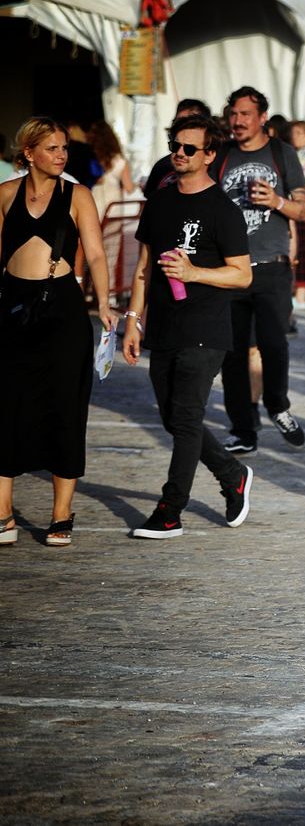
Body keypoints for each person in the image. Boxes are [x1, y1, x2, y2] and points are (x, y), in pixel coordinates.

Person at [120, 112, 255, 540]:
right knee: (174, 419)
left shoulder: (224, 210)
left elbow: (242, 275)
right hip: (162, 323)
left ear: (210, 155)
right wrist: (132, 322)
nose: (179, 154)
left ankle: (170, 510)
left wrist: (195, 273)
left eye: (189, 148)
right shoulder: (159, 201)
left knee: (186, 415)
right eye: (175, 146)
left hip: (206, 326)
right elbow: (143, 268)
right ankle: (232, 473)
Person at [166, 86, 305, 456]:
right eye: (233, 114)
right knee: (230, 354)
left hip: (271, 267)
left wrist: (276, 201)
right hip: (229, 269)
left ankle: (277, 405)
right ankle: (243, 428)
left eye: (246, 114)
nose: (238, 120)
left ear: (262, 117)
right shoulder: (222, 154)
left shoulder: (282, 153)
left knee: (274, 343)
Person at [0, 119, 116, 547]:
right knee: (6, 404)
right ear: (29, 153)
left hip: (62, 308)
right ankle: (3, 513)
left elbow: (99, 255)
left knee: (65, 407)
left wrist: (103, 303)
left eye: (64, 148)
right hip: (11, 307)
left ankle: (61, 513)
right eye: (52, 148)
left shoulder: (78, 195)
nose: (62, 155)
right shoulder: (4, 195)